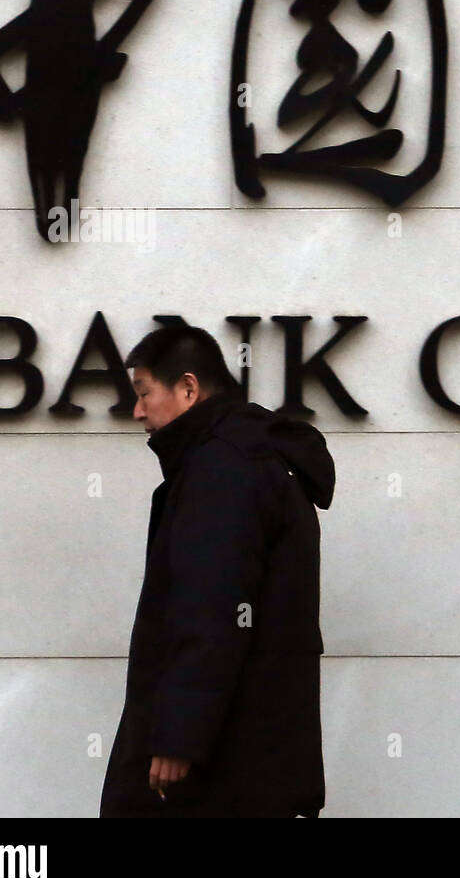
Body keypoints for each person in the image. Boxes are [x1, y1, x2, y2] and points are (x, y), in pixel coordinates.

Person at [99, 325, 334, 817]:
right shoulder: (252, 459)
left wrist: (178, 736)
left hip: (219, 765)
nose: (137, 411)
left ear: (188, 388)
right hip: (255, 754)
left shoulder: (222, 470)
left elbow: (214, 607)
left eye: (144, 394)